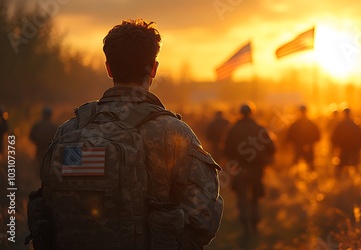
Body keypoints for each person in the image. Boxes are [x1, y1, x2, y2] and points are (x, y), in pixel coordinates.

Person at [28, 19, 223, 250]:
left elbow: (51, 205)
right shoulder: (173, 133)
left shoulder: (70, 130)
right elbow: (205, 219)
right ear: (153, 69)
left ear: (108, 68)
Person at [224, 104, 275, 241]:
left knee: (242, 198)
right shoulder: (260, 128)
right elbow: (271, 148)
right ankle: (254, 226)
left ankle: (245, 227)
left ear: (240, 113)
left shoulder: (233, 129)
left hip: (240, 168)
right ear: (252, 113)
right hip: (256, 169)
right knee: (255, 198)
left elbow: (226, 150)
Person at [285, 105, 320, 170]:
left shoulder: (295, 124)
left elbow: (289, 136)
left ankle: (297, 176)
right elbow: (317, 136)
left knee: (297, 163)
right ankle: (310, 176)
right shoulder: (311, 124)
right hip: (308, 146)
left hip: (299, 146)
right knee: (309, 164)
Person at [330, 108, 361, 174]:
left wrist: (334, 147)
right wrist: (359, 148)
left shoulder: (340, 125)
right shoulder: (356, 125)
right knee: (355, 167)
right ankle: (357, 181)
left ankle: (339, 182)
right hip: (354, 150)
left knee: (340, 168)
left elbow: (334, 137)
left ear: (343, 114)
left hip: (343, 150)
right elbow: (360, 138)